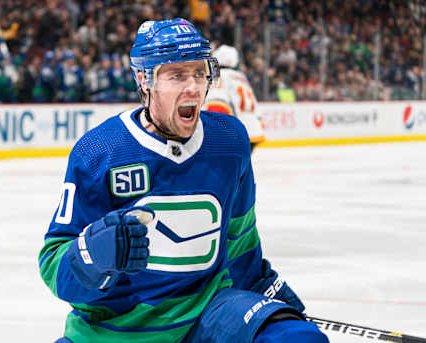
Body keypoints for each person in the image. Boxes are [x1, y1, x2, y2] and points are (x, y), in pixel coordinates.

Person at [39, 18, 329, 343]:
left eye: (199, 73)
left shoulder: (230, 141)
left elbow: (241, 244)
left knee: (296, 339)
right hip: (116, 330)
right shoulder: (99, 151)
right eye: (176, 75)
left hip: (207, 313)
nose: (192, 87)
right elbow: (54, 267)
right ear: (143, 79)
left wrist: (269, 294)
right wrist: (91, 256)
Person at [204, 44, 266, 152]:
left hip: (237, 131)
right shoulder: (242, 77)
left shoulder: (219, 76)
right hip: (253, 130)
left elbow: (216, 103)